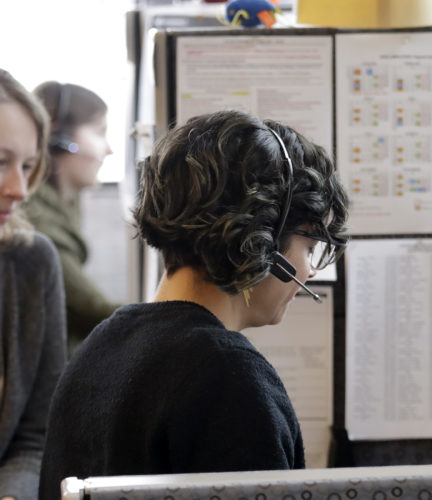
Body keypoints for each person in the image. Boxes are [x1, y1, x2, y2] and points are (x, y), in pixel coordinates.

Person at [38, 109, 349, 498]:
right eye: (309, 247)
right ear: (262, 241)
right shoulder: (229, 378)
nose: (310, 271)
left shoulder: (101, 345)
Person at [0, 69, 66, 500]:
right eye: (0, 162)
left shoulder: (31, 261)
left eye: (27, 166)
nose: (20, 189)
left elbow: (34, 436)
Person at [24, 81, 121, 355]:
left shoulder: (64, 203)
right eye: (100, 132)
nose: (109, 149)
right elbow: (90, 311)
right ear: (61, 140)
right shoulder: (37, 222)